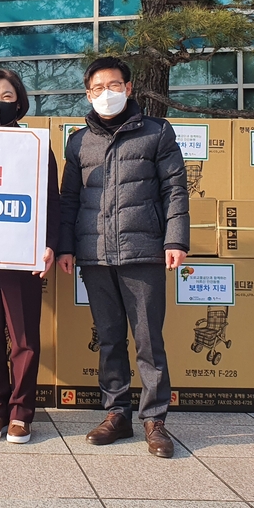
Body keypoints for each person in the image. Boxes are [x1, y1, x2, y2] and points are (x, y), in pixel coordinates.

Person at [57, 56, 189, 458]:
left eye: (113, 85)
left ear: (129, 88)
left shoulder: (156, 132)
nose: (106, 94)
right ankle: (116, 414)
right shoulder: (79, 141)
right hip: (95, 254)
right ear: (87, 93)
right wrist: (66, 246)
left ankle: (155, 421)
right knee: (110, 338)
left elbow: (175, 190)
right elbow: (69, 199)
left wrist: (175, 240)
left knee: (149, 340)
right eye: (97, 88)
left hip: (144, 251)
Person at [0, 69, 59, 444]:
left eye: (5, 97)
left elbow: (52, 197)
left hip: (22, 251)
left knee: (22, 335)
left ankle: (20, 414)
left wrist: (49, 242)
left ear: (19, 102)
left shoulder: (34, 143)